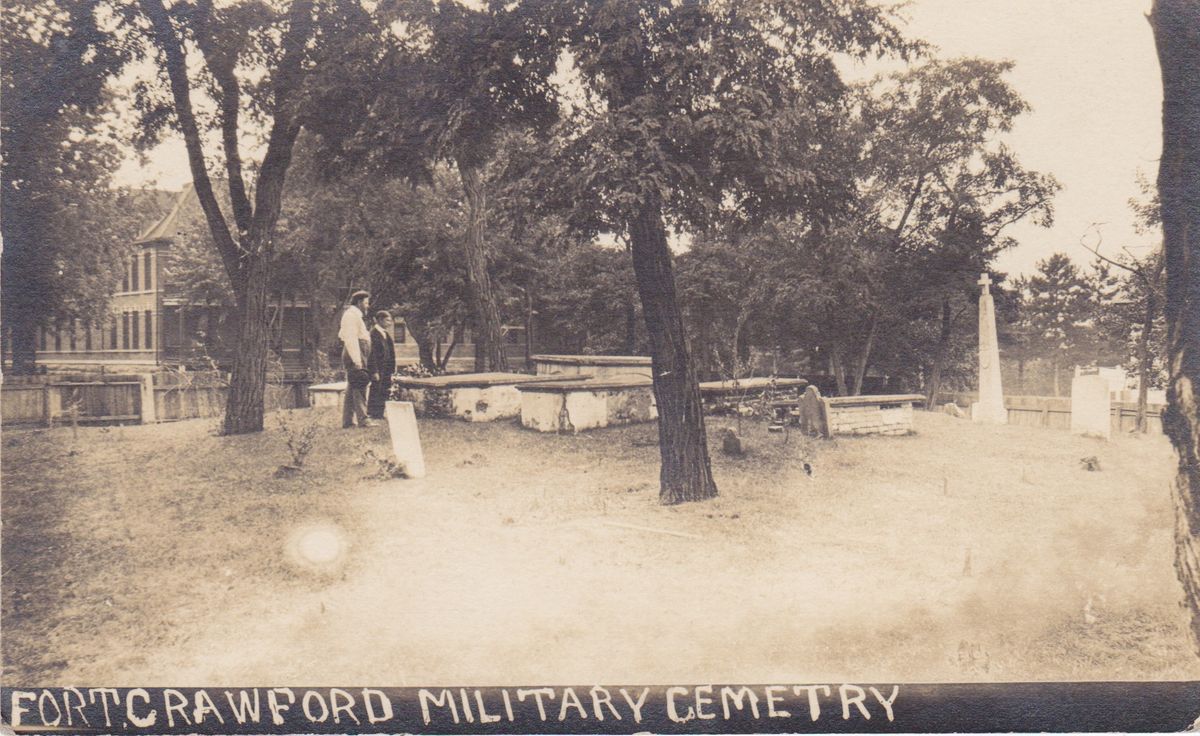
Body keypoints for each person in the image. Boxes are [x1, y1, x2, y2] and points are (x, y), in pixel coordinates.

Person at [339, 290, 373, 428]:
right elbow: (350, 338)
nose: (368, 306)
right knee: (360, 383)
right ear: (359, 303)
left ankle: (348, 421)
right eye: (366, 303)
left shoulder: (355, 315)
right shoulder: (350, 316)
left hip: (359, 351)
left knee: (353, 385)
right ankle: (363, 419)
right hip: (356, 352)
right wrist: (357, 360)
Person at [367, 310, 397, 419]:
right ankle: (372, 412)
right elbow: (372, 354)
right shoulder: (373, 333)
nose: (390, 323)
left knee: (384, 389)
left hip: (386, 368)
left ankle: (379, 413)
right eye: (387, 320)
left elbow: (390, 352)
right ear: (380, 320)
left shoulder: (386, 334)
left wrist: (392, 368)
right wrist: (374, 371)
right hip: (378, 368)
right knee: (376, 389)